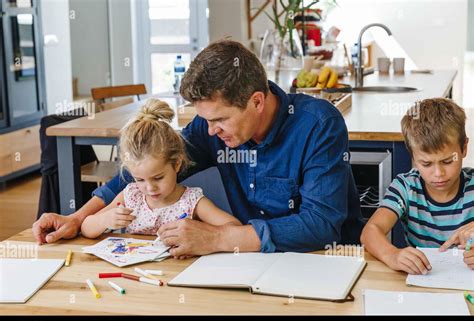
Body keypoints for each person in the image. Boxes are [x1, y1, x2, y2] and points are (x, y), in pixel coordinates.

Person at [33, 39, 364, 256]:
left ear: (257, 102)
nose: (209, 130)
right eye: (204, 119)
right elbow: (145, 168)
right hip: (247, 264)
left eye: (219, 119)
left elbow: (320, 225)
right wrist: (77, 219)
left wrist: (218, 239)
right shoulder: (211, 130)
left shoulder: (318, 124)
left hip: (324, 262)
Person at [81, 98, 240, 241]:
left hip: (179, 270)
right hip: (134, 271)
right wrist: (104, 220)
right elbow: (86, 227)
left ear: (177, 164)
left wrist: (202, 236)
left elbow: (235, 228)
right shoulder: (131, 196)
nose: (150, 188)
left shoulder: (191, 201)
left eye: (158, 178)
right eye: (140, 180)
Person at [361, 98, 474, 274]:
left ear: (464, 148)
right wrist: (392, 255)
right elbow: (370, 231)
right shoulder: (406, 188)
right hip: (422, 281)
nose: (438, 173)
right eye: (426, 164)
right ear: (413, 156)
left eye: (447, 161)